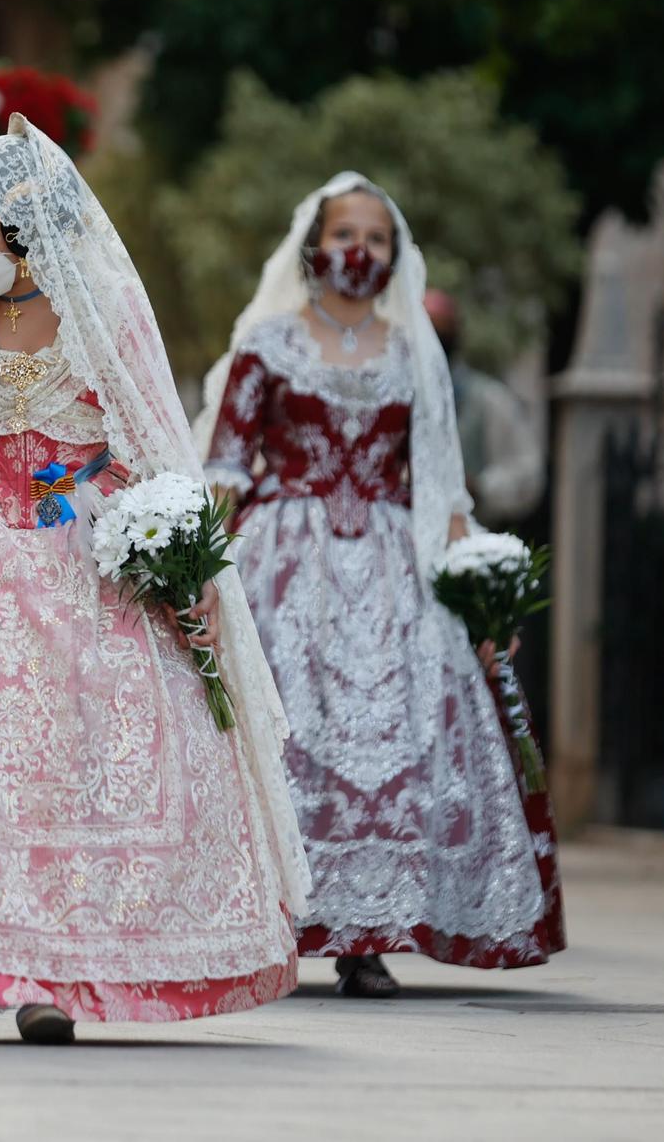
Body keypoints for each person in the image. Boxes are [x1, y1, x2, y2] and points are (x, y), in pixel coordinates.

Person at [0, 116, 312, 1045]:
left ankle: (53, 978)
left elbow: (146, 431)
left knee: (68, 762)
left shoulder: (100, 302)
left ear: (25, 229)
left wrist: (172, 552)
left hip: (79, 547)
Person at [198, 172, 564, 997]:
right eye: (343, 234)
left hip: (396, 566)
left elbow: (442, 481)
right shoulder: (268, 343)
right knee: (287, 733)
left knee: (400, 735)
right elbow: (226, 460)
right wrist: (199, 561)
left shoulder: (411, 353)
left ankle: (368, 934)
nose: (357, 250)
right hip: (287, 557)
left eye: (375, 238)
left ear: (395, 254)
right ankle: (273, 920)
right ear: (311, 245)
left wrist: (478, 584)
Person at [424, 290, 545, 527]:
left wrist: (479, 486)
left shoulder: (489, 399)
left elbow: (529, 472)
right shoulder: (394, 397)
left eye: (440, 332)